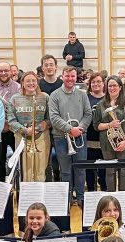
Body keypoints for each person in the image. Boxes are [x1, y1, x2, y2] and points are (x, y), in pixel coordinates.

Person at [49, 66, 93, 207]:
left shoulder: (82, 94)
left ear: (76, 77)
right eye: (67, 76)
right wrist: (69, 129)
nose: (70, 79)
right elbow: (54, 117)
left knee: (80, 169)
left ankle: (80, 197)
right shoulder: (54, 95)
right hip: (61, 138)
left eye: (72, 76)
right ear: (62, 76)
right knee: (66, 171)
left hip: (79, 136)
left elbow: (88, 114)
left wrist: (79, 129)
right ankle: (66, 198)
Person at [7, 71, 51, 183]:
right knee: (26, 172)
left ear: (37, 82)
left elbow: (50, 118)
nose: (31, 83)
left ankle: (40, 197)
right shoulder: (14, 98)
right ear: (22, 83)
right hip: (21, 137)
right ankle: (27, 198)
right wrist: (26, 130)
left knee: (40, 171)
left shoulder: (45, 97)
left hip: (41, 137)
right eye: (27, 81)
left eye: (33, 81)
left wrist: (38, 128)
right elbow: (11, 121)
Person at [93, 76, 125, 192]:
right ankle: (111, 196)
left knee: (123, 172)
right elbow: (96, 125)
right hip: (107, 143)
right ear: (106, 87)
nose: (112, 88)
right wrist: (110, 125)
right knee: (110, 171)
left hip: (124, 143)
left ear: (120, 87)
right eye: (110, 86)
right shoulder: (101, 104)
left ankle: (122, 197)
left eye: (115, 85)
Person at [84, 72, 107, 192]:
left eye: (99, 81)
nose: (96, 84)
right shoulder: (85, 97)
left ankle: (104, 195)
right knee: (89, 172)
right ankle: (91, 196)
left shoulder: (108, 98)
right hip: (89, 141)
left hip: (104, 142)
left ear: (103, 84)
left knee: (104, 173)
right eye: (93, 82)